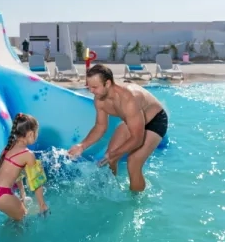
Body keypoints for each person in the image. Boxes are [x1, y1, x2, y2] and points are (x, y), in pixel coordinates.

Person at [68, 64, 168, 192]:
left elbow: (137, 139)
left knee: (133, 162)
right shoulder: (99, 100)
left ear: (107, 83)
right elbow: (100, 127)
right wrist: (82, 146)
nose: (91, 91)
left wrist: (115, 154)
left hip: (155, 120)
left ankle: (136, 199)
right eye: (89, 86)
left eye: (95, 87)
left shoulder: (128, 98)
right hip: (133, 121)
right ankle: (112, 190)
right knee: (110, 157)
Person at [0, 113, 48, 221]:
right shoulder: (28, 154)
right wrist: (42, 205)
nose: (37, 135)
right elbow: (36, 182)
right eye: (36, 132)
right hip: (0, 193)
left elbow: (15, 173)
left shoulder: (8, 147)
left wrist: (22, 193)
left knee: (16, 219)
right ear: (30, 134)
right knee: (23, 220)